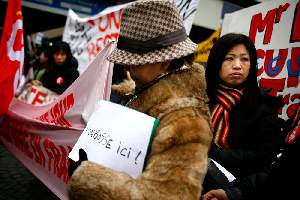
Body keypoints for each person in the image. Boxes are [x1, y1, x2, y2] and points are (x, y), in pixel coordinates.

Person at [67, 0, 212, 199]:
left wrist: (88, 177)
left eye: (133, 63)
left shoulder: (185, 122)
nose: (126, 69)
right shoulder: (142, 94)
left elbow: (167, 195)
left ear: (164, 62)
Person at [201, 33, 284, 198]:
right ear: (216, 62)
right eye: (229, 58)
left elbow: (265, 159)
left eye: (244, 59)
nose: (237, 65)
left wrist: (213, 152)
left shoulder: (264, 108)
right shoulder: (198, 99)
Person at [202, 105, 300, 200]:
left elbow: (263, 156)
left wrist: (214, 152)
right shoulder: (205, 100)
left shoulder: (262, 107)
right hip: (236, 185)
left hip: (237, 178)